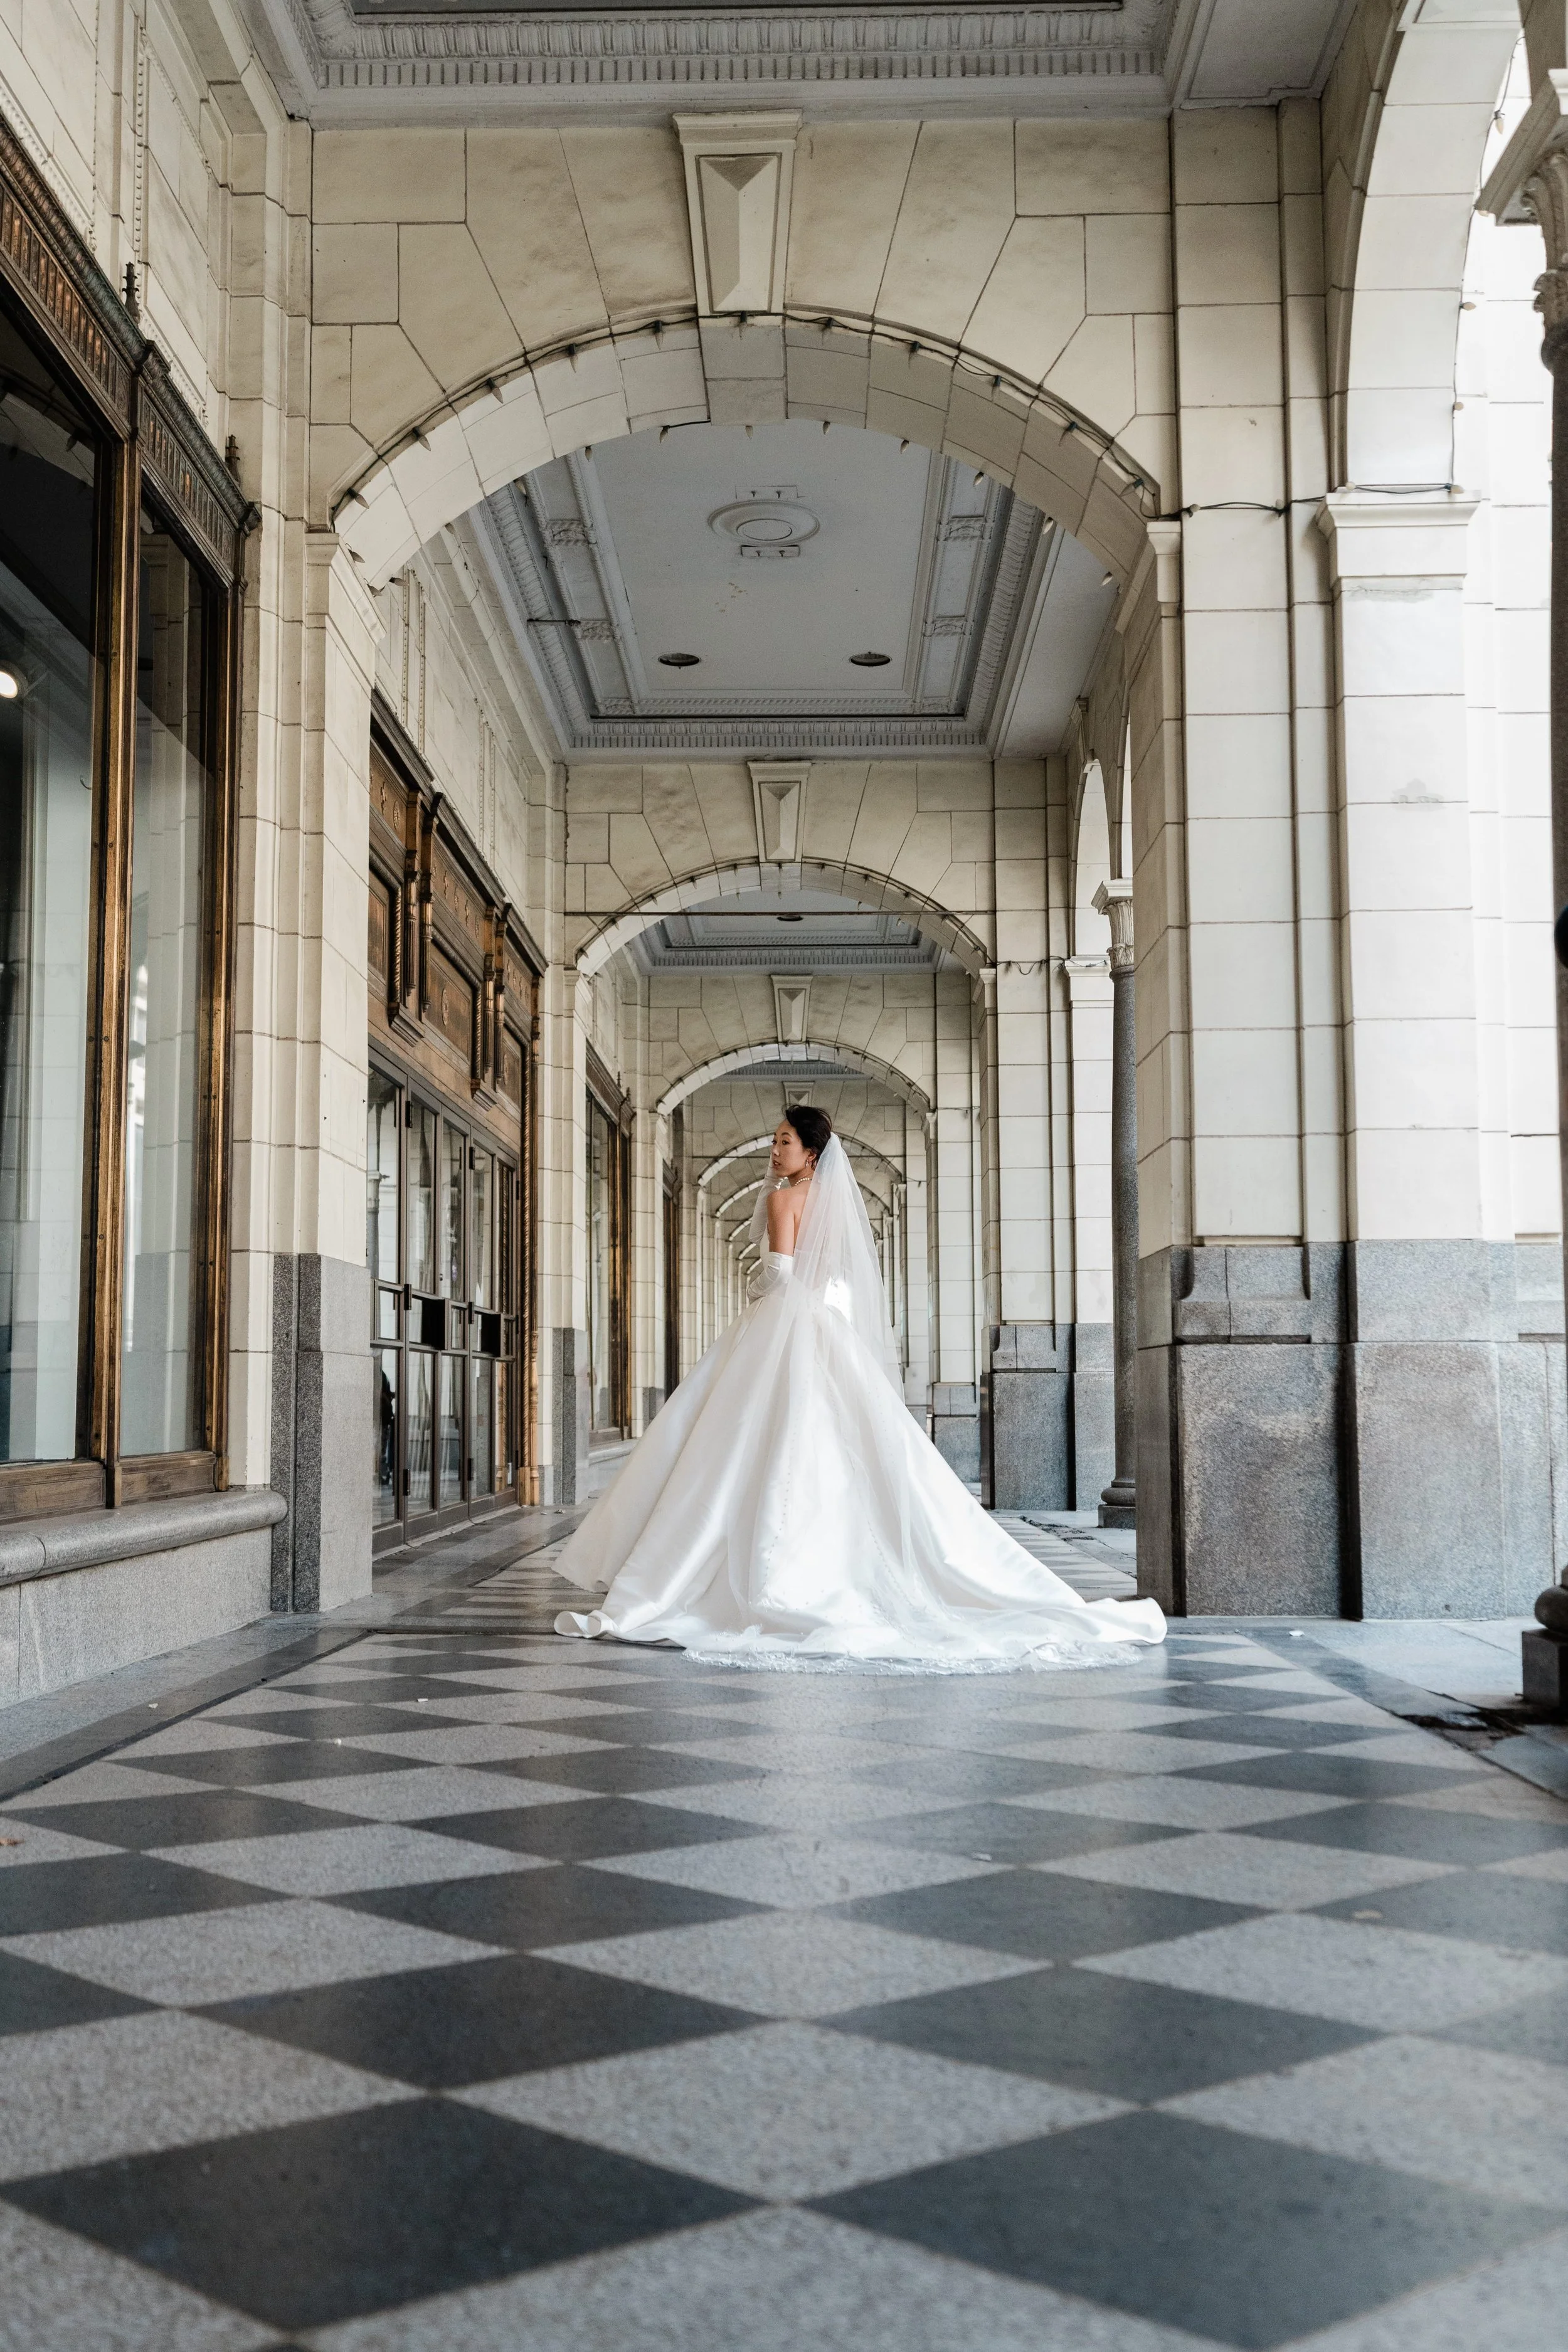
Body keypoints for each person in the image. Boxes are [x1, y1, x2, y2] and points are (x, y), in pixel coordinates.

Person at [554, 1105, 1165, 1673]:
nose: (774, 1150)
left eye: (784, 1141)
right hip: (822, 1328)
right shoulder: (831, 1204)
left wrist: (754, 1295)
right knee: (826, 1445)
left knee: (741, 1445)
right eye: (775, 1141)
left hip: (778, 1327)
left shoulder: (783, 1200)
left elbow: (776, 1276)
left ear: (811, 1151)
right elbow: (829, 1276)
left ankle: (716, 1571)